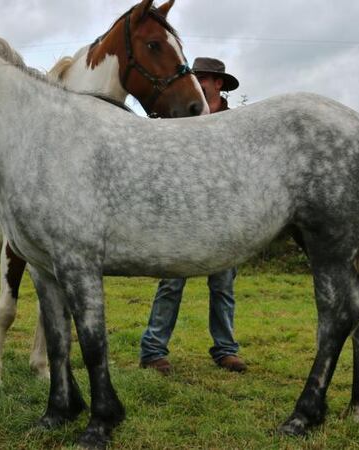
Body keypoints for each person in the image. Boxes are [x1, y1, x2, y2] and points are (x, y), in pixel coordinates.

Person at [139, 57, 247, 375]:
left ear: (219, 84)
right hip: (183, 216)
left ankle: (225, 350)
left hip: (223, 215)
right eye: (196, 76)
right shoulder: (181, 115)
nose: (198, 82)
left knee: (223, 286)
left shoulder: (235, 123)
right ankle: (153, 351)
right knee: (171, 284)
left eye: (205, 78)